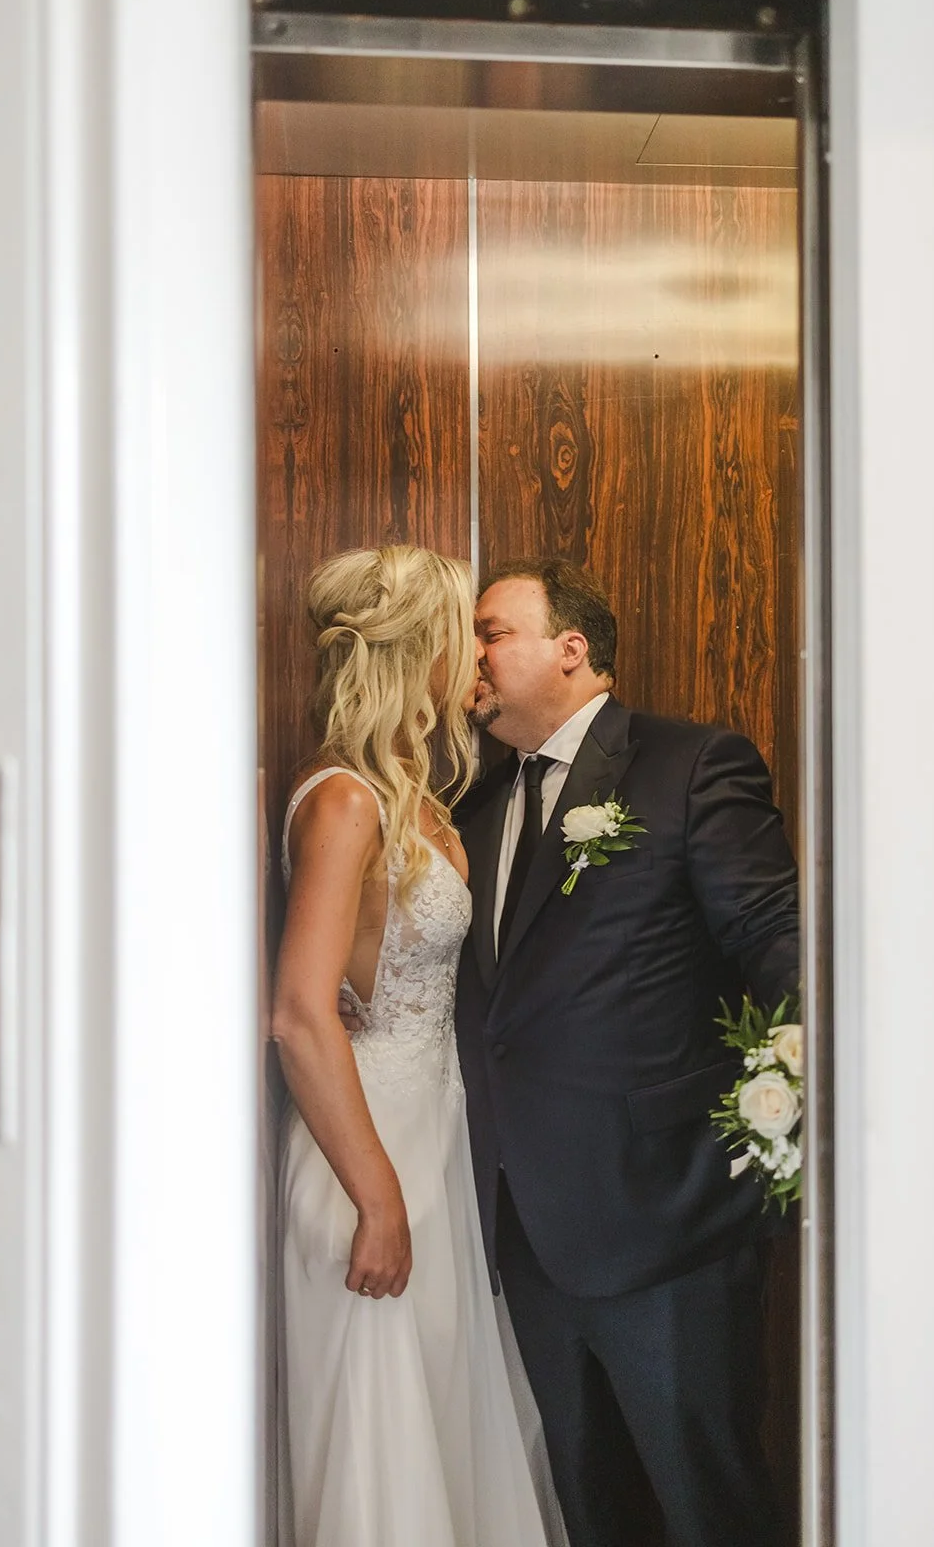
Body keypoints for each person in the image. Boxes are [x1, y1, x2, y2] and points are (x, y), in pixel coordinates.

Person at [454, 558, 799, 1547]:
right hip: (517, 1235)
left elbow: (786, 956)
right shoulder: (473, 807)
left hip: (670, 1226)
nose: (471, 656)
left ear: (571, 651)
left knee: (707, 1504)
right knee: (577, 1508)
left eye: (491, 632)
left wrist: (759, 1152)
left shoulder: (686, 765)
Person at [273, 545, 564, 1547]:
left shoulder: (421, 801)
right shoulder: (345, 801)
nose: (474, 658)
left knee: (436, 1435)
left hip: (432, 1141)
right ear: (414, 651)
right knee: (378, 1454)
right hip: (368, 1159)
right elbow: (300, 1013)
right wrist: (378, 1198)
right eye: (461, 637)